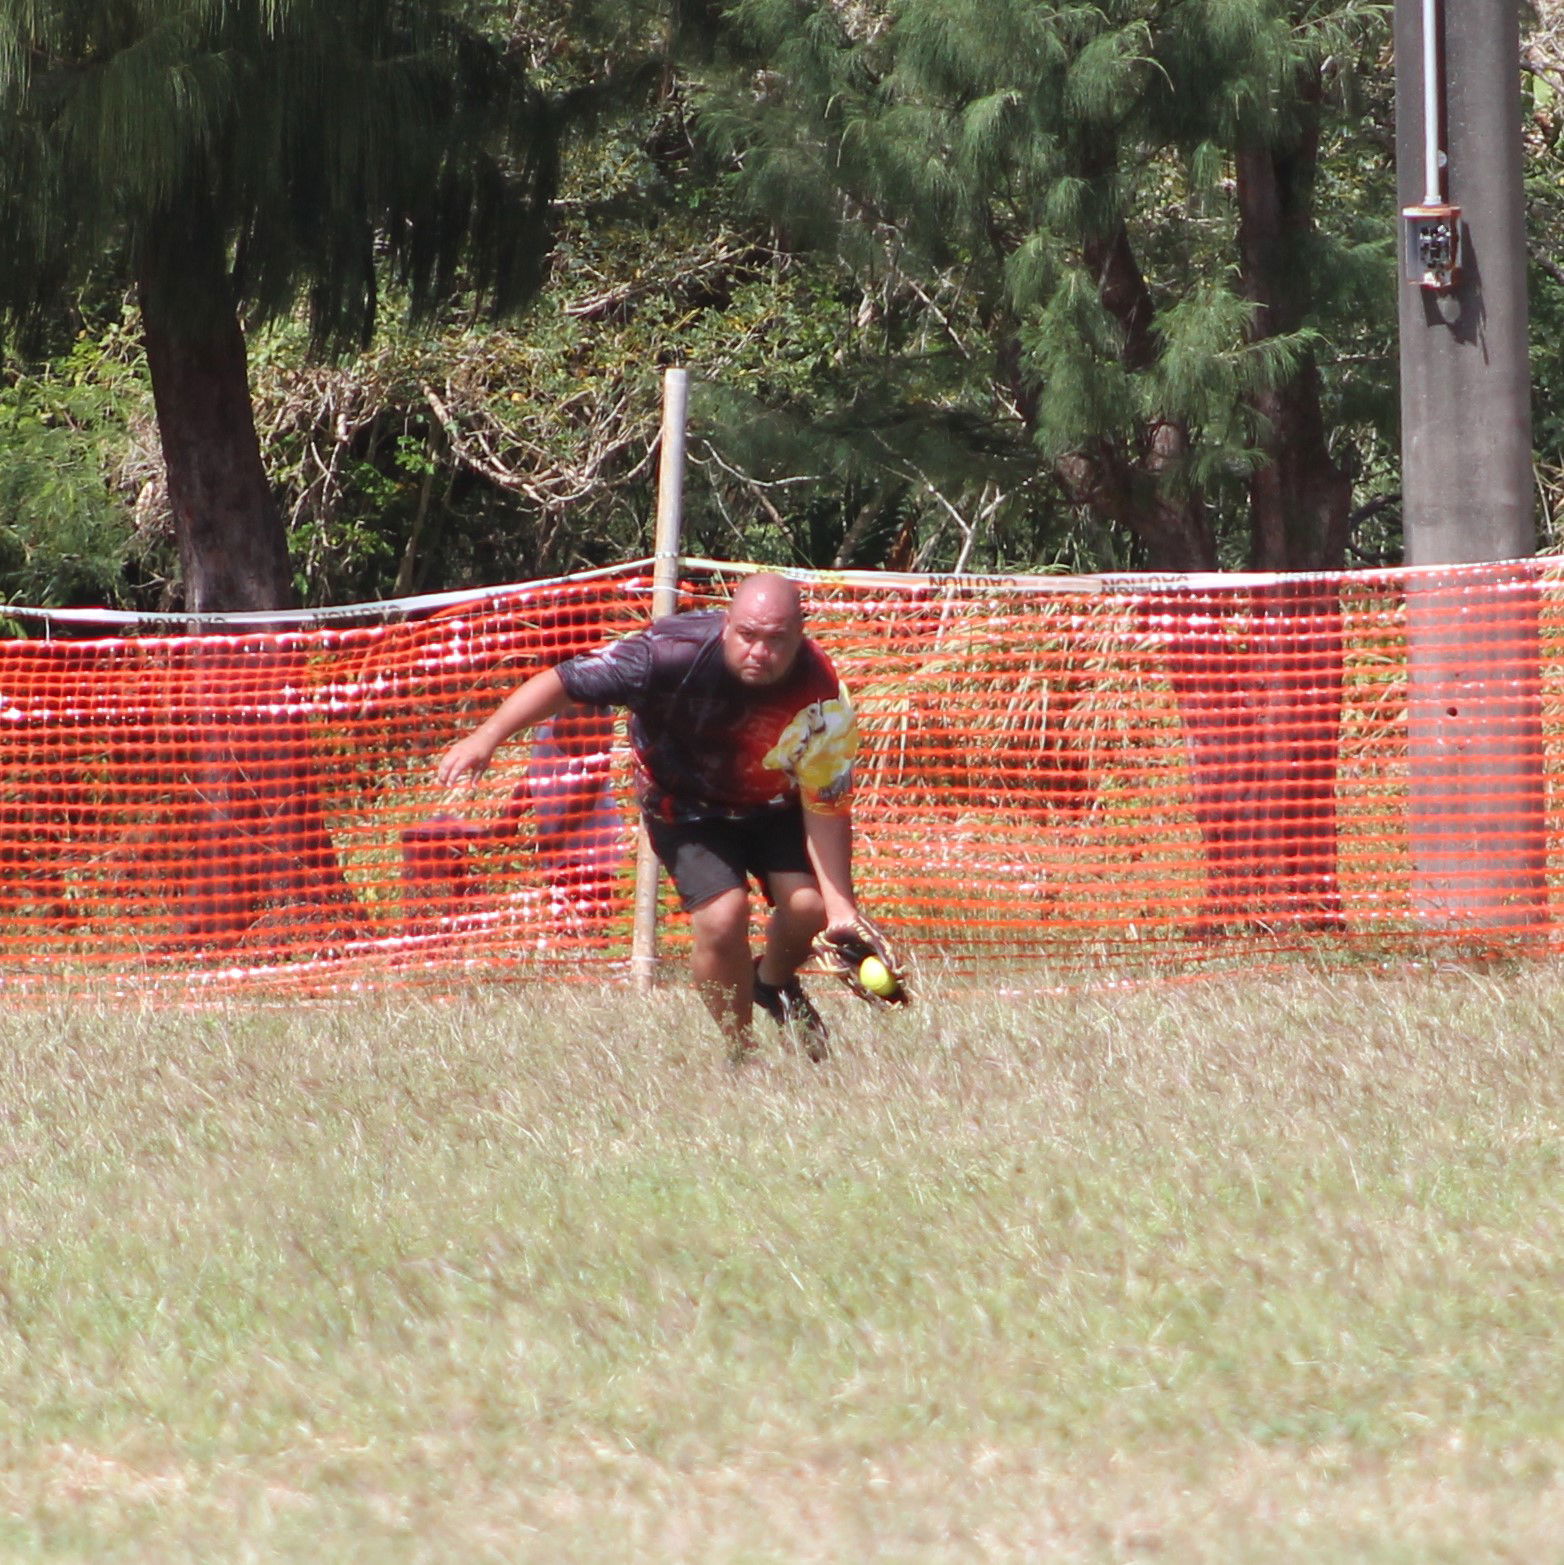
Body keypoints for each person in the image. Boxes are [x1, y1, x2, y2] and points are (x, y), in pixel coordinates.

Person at [436, 572, 864, 1058]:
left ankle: (772, 983)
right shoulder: (667, 654)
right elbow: (563, 682)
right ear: (726, 626)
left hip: (772, 805)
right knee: (724, 918)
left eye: (776, 640)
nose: (760, 652)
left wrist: (843, 913)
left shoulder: (820, 693)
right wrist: (485, 738)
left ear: (801, 632)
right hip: (684, 806)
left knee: (809, 907)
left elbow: (827, 804)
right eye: (748, 635)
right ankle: (742, 1053)